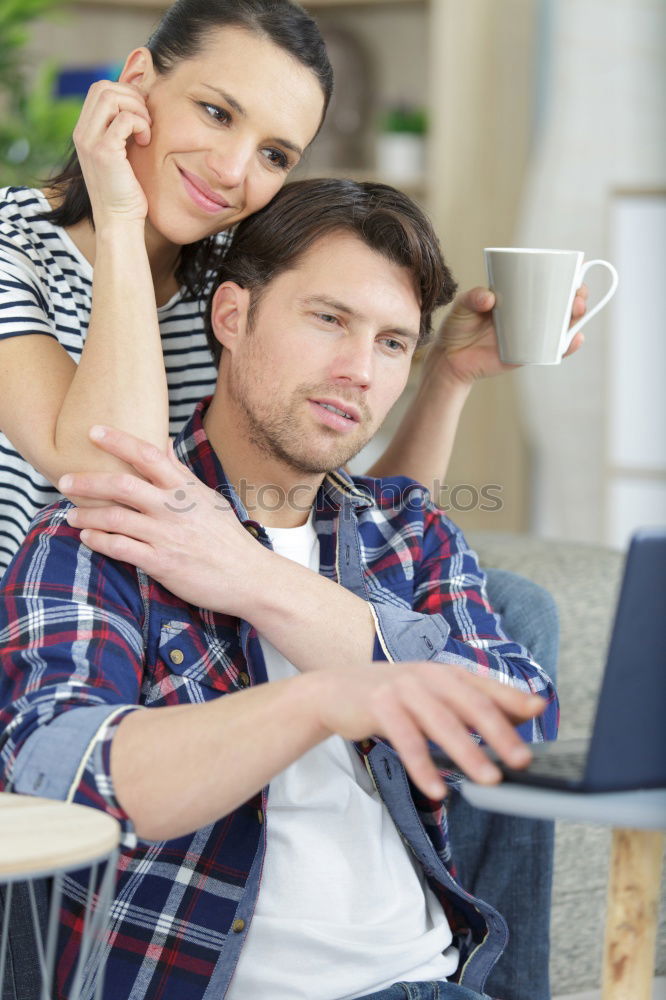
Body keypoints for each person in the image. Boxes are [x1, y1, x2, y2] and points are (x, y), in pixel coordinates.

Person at [0, 2, 583, 995]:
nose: (235, 172)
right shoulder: (20, 247)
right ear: (138, 83)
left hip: (189, 552)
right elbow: (118, 471)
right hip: (72, 586)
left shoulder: (221, 265)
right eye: (216, 113)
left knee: (500, 612)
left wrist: (437, 375)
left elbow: (351, 518)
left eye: (275, 151)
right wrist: (123, 215)